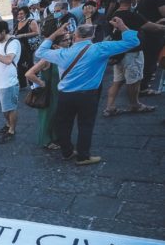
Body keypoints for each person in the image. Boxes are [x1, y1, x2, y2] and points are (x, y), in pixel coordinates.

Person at [36, 19, 139, 165]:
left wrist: (55, 34)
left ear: (74, 36)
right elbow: (132, 42)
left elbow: (40, 51)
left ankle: (67, 152)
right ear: (92, 37)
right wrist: (123, 27)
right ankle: (83, 156)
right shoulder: (100, 48)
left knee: (64, 124)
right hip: (88, 95)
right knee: (85, 125)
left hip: (65, 95)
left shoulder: (62, 53)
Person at [104, 0, 164, 116]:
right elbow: (153, 28)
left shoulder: (116, 13)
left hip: (120, 53)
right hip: (132, 54)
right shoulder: (131, 15)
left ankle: (110, 107)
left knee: (118, 81)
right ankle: (134, 104)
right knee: (134, 81)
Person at [25, 33, 73, 149]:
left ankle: (55, 137)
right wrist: (42, 83)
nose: (68, 42)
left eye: (69, 39)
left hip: (61, 91)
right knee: (48, 116)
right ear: (56, 46)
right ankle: (46, 140)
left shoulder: (66, 55)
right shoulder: (47, 59)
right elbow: (29, 74)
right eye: (65, 40)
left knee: (58, 116)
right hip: (50, 92)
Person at [137, 0, 165, 96]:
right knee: (151, 61)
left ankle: (140, 86)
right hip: (155, 31)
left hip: (145, 30)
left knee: (147, 60)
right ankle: (143, 88)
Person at [13, 6, 40, 89]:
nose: (19, 15)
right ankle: (22, 83)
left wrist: (23, 35)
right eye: (18, 14)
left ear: (26, 13)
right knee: (20, 64)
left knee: (29, 64)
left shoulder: (31, 21)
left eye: (21, 13)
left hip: (28, 47)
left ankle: (33, 83)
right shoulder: (18, 22)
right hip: (19, 47)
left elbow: (37, 32)